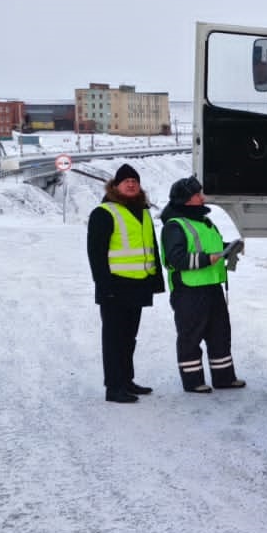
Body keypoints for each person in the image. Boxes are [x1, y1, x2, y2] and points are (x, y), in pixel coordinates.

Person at [159, 175, 246, 392]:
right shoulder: (174, 226)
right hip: (188, 290)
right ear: (187, 200)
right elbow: (175, 259)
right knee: (191, 336)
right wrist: (209, 259)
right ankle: (193, 381)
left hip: (212, 286)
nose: (202, 197)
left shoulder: (204, 222)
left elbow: (211, 247)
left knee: (220, 334)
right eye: (197, 194)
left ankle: (224, 378)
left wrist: (229, 247)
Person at [87, 163, 164, 403]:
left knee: (129, 337)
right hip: (115, 287)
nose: (131, 184)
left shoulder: (142, 211)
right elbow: (96, 254)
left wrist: (155, 282)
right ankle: (114, 387)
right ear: (116, 185)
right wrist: (104, 286)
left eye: (135, 181)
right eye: (126, 181)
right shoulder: (104, 212)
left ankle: (126, 380)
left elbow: (151, 248)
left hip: (138, 285)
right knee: (113, 338)